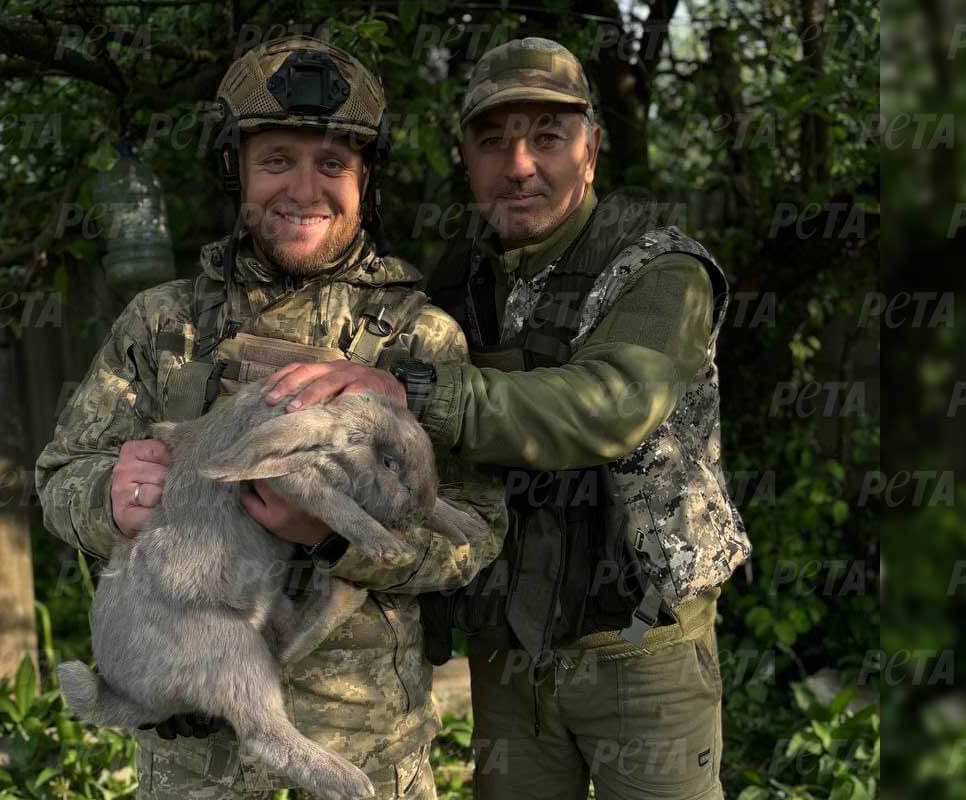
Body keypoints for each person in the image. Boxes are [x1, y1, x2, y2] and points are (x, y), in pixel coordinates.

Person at [264, 37, 751, 800]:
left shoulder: (662, 271)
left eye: (546, 138)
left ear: (591, 151)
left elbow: (612, 404)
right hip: (509, 648)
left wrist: (412, 394)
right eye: (493, 142)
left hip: (641, 644)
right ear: (466, 158)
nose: (519, 164)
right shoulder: (461, 275)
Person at [36, 35, 507, 799]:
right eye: (277, 158)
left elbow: (479, 531)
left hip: (370, 754)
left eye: (333, 164)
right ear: (237, 171)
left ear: (365, 180)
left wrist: (331, 539)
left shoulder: (421, 339)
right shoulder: (164, 325)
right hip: (196, 765)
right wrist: (105, 500)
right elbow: (59, 477)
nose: (305, 187)